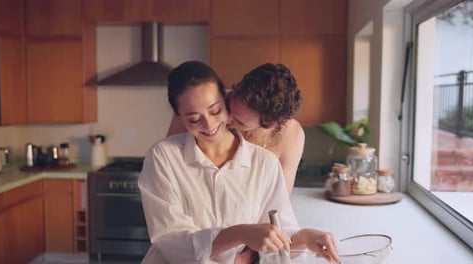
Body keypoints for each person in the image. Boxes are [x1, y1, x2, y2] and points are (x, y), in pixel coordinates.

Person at [139, 61, 340, 263]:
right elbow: (171, 240)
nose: (210, 125)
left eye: (217, 111)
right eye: (193, 119)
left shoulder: (266, 162)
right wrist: (240, 234)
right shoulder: (163, 156)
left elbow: (275, 229)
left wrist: (304, 238)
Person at [167, 63, 304, 195]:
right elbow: (170, 162)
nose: (226, 119)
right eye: (228, 105)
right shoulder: (206, 103)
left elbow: (280, 197)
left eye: (239, 121)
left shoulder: (291, 135)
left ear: (269, 125)